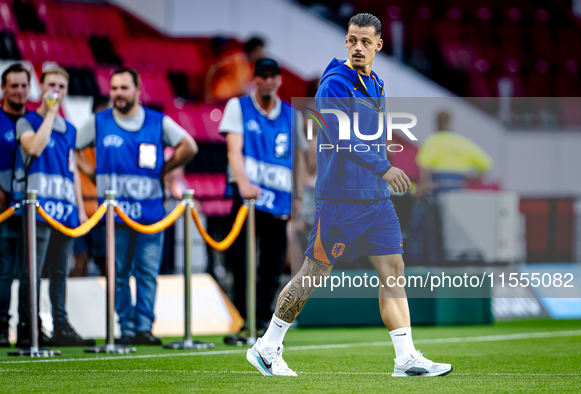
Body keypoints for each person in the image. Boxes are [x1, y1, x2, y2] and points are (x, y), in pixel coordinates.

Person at [247, 14, 453, 377]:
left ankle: (405, 358)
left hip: (375, 199)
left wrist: (380, 174)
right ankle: (267, 347)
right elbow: (341, 139)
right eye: (351, 40)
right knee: (313, 274)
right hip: (342, 200)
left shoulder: (375, 83)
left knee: (394, 270)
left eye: (364, 42)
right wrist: (383, 168)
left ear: (378, 46)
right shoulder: (334, 85)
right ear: (346, 42)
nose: (357, 47)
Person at [76, 66, 198, 345]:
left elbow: (189, 146)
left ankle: (144, 327)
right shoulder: (98, 122)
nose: (118, 93)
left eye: (124, 88)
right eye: (114, 88)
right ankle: (127, 327)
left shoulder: (158, 122)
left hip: (151, 214)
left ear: (137, 90)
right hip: (115, 216)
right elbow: (71, 147)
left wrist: (166, 168)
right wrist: (92, 174)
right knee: (118, 273)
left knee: (147, 273)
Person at [219, 58, 307, 345]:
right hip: (248, 197)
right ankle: (246, 320)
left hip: (279, 197)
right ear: (255, 79)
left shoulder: (292, 115)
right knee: (240, 258)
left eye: (273, 76)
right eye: (263, 76)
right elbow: (234, 149)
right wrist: (243, 183)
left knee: (272, 263)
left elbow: (300, 159)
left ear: (280, 80)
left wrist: (298, 197)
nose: (268, 80)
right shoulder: (238, 106)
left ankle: (264, 319)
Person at [14, 66, 94, 347]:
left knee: (61, 271)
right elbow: (35, 147)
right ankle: (29, 326)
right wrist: (49, 114)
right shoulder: (27, 121)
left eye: (61, 86)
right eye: (51, 85)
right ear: (42, 88)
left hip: (64, 210)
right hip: (37, 210)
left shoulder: (71, 130)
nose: (56, 91)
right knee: (32, 272)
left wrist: (81, 210)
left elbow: (72, 170)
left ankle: (61, 324)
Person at [0, 63, 30, 347]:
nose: (19, 91)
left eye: (23, 86)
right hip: (3, 212)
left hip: (31, 212)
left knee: (27, 272)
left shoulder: (34, 121)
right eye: (13, 86)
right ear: (3, 88)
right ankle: (0, 328)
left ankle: (26, 328)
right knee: (4, 272)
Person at [70, 95, 111, 277]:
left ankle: (110, 304)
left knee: (107, 264)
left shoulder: (112, 143)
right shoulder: (80, 140)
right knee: (80, 261)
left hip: (104, 213)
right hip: (81, 210)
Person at [415, 111, 493, 197]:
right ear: (450, 123)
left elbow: (424, 167)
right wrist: (471, 180)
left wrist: (423, 186)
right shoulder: (463, 142)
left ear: (437, 123)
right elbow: (486, 165)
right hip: (459, 185)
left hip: (439, 185)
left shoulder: (433, 141)